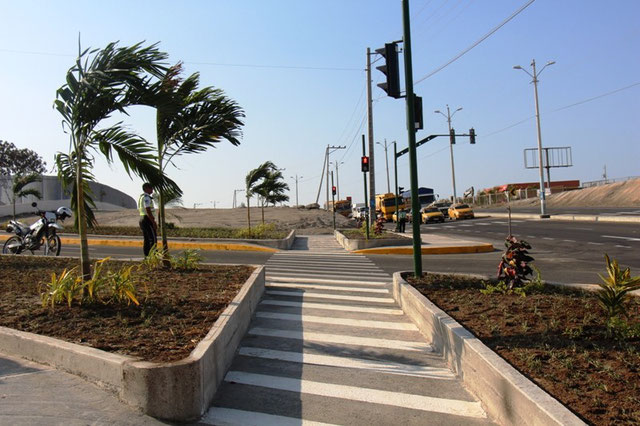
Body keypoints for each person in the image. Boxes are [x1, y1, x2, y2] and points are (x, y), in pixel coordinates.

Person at [138, 182, 157, 256]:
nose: (152, 189)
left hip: (142, 218)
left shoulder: (142, 197)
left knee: (147, 239)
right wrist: (153, 222)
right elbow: (148, 210)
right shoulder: (146, 197)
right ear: (146, 188)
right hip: (147, 219)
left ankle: (147, 256)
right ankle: (153, 256)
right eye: (151, 188)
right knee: (153, 239)